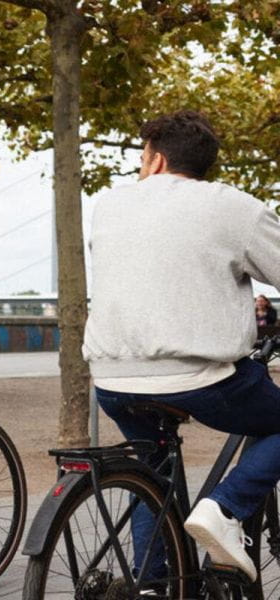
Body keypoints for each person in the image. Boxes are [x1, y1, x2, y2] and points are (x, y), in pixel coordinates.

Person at [83, 110, 280, 583]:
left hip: (110, 377)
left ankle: (152, 585)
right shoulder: (236, 207)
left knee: (151, 466)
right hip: (198, 379)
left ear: (155, 160)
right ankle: (225, 510)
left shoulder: (108, 204)